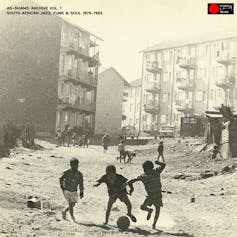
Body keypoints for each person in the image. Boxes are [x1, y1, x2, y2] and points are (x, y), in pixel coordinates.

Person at [126, 160, 166, 229]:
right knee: (143, 207)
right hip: (150, 196)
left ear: (151, 168)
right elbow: (133, 180)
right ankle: (149, 210)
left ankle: (154, 224)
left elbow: (163, 165)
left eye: (145, 169)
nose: (144, 170)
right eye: (143, 169)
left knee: (157, 210)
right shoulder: (142, 176)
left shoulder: (156, 171)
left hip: (157, 195)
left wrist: (158, 163)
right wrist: (128, 185)